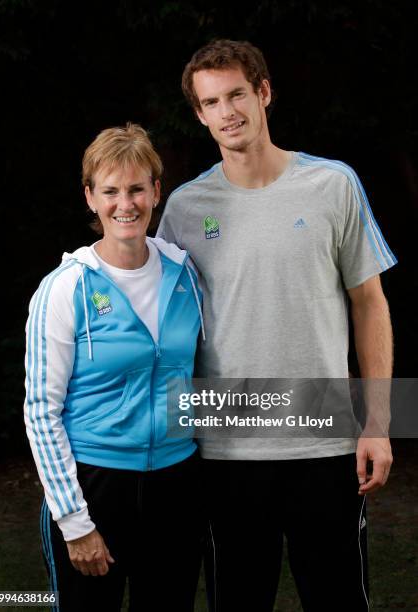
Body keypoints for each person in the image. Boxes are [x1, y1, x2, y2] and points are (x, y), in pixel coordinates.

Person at [157, 39, 396, 611]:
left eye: (237, 94)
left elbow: (370, 304)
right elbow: (161, 334)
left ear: (263, 93)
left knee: (338, 599)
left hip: (326, 433)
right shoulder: (185, 209)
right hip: (224, 450)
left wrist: (378, 422)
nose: (227, 112)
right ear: (199, 113)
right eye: (211, 102)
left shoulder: (333, 183)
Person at [24, 123, 204, 612]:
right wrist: (75, 523)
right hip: (95, 485)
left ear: (156, 192)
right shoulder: (65, 288)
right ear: (90, 197)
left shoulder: (185, 273)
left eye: (136, 189)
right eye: (110, 191)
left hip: (175, 484)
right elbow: (41, 411)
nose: (125, 203)